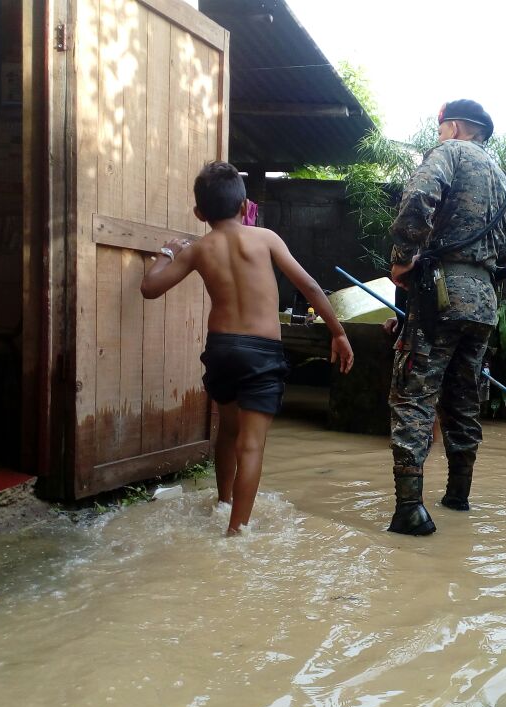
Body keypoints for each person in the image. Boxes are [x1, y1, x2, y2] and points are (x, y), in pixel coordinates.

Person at [141, 161, 354, 536]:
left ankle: (223, 504)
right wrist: (337, 333)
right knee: (251, 446)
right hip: (261, 352)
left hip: (222, 349)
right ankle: (236, 532)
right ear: (245, 207)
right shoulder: (267, 238)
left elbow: (150, 288)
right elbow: (310, 288)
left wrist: (167, 252)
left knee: (227, 430)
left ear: (199, 213)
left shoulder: (198, 249)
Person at [387, 99, 506, 536]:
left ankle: (409, 510)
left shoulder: (449, 154)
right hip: (484, 300)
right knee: (464, 397)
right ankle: (458, 496)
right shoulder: (503, 178)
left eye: (441, 128)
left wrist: (403, 257)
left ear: (456, 127)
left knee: (414, 393)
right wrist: (488, 299)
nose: (438, 135)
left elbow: (419, 195)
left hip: (441, 293)